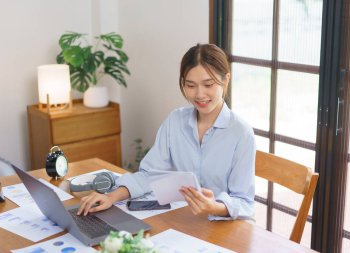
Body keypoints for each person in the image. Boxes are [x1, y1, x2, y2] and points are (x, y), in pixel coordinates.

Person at [77, 44, 256, 221]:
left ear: (226, 79)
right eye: (190, 85)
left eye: (208, 84)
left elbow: (244, 201)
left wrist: (214, 207)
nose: (200, 94)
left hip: (224, 228)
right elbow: (150, 174)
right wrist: (111, 197)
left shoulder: (241, 133)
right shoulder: (175, 121)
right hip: (185, 222)